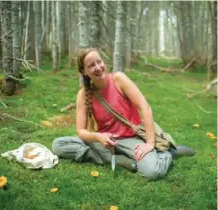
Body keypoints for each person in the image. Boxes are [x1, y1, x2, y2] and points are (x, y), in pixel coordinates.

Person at [52, 48, 195, 180]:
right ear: (84, 71)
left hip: (130, 138)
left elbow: (145, 108)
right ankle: (116, 159)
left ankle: (166, 152)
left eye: (99, 62)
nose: (98, 67)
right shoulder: (83, 94)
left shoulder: (118, 79)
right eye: (91, 65)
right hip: (106, 141)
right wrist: (98, 137)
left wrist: (150, 143)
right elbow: (81, 131)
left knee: (153, 171)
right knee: (58, 145)